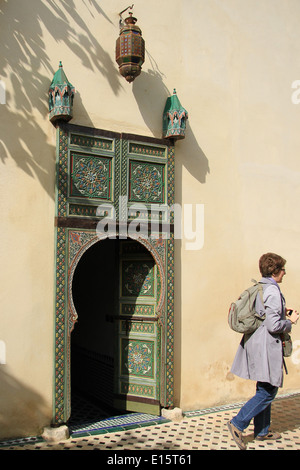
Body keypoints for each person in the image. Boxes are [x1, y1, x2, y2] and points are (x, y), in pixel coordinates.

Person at [227, 253, 299, 450]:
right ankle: (238, 423)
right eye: (283, 269)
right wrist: (289, 322)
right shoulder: (273, 291)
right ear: (275, 271)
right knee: (269, 390)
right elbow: (273, 325)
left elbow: (264, 314)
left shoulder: (262, 287)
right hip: (267, 345)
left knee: (264, 385)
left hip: (257, 343)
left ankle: (262, 431)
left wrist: (281, 311)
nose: (285, 273)